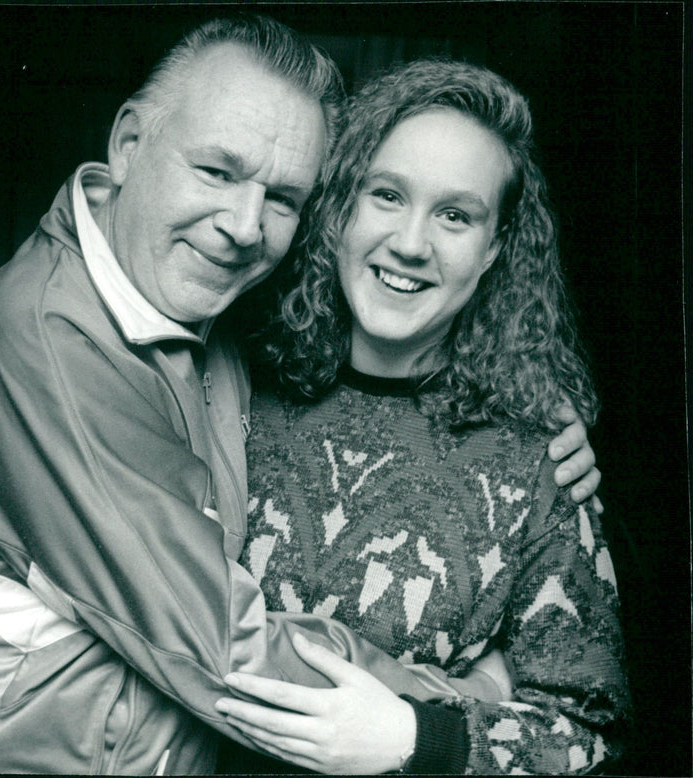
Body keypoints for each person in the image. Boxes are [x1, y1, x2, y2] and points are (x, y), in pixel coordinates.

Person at [0, 15, 601, 775]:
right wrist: (451, 707)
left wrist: (535, 407)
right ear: (129, 145)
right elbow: (225, 648)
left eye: (283, 198)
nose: (241, 226)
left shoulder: (220, 316)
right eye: (217, 171)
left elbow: (587, 718)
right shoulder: (32, 341)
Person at [213, 58, 630, 774]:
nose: (410, 243)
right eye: (386, 195)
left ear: (494, 247)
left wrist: (419, 738)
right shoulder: (228, 374)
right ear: (338, 206)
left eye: (455, 215)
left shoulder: (537, 460)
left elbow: (586, 733)